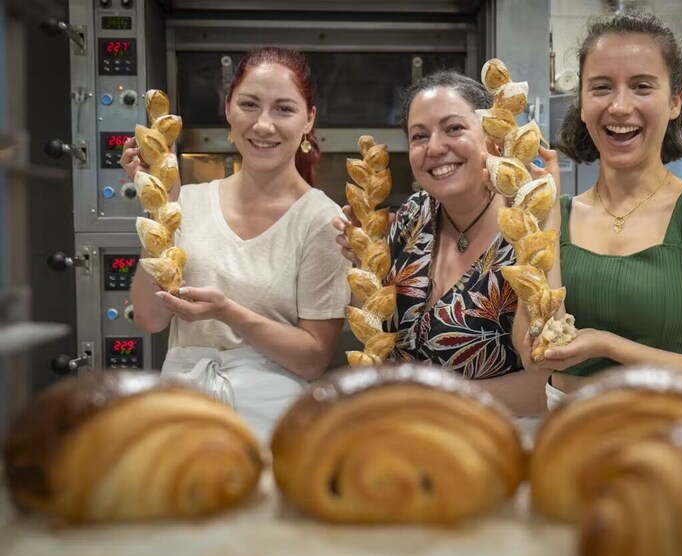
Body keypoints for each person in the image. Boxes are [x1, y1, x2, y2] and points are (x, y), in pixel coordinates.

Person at [121, 47, 350, 442]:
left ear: (308, 119)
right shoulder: (186, 202)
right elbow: (150, 319)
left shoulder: (321, 220)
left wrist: (229, 313)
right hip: (182, 412)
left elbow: (313, 358)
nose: (263, 125)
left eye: (283, 109)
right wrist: (162, 207)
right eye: (249, 104)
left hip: (272, 421)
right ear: (228, 109)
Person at [539, 9, 682, 409]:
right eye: (601, 87)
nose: (620, 106)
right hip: (567, 437)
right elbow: (536, 351)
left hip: (672, 442)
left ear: (675, 101)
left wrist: (610, 346)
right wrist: (543, 214)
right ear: (582, 103)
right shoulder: (560, 214)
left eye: (642, 86)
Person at [333, 71, 558, 416]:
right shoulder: (410, 218)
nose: (435, 148)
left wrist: (431, 399)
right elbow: (379, 342)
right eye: (419, 136)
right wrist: (360, 258)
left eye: (454, 129)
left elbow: (548, 386)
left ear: (491, 137)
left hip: (498, 438)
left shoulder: (531, 230)